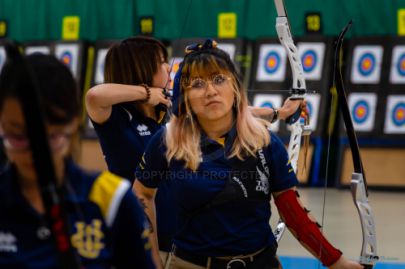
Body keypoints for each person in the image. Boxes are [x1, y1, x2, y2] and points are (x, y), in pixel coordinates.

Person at [133, 39, 363, 269]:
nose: (211, 91)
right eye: (197, 84)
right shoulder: (168, 140)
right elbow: (142, 195)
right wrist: (150, 260)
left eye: (219, 79)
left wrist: (335, 261)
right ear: (184, 96)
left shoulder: (264, 140)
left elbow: (292, 210)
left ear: (234, 87)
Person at [85, 36, 303, 268]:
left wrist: (279, 112)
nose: (168, 67)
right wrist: (147, 93)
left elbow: (227, 109)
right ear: (139, 67)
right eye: (160, 61)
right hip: (141, 236)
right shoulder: (116, 118)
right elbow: (94, 96)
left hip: (179, 238)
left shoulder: (163, 113)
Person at [0, 52, 155, 268]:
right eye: (18, 136)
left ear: (73, 124)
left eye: (51, 137)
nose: (35, 151)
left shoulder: (112, 200)